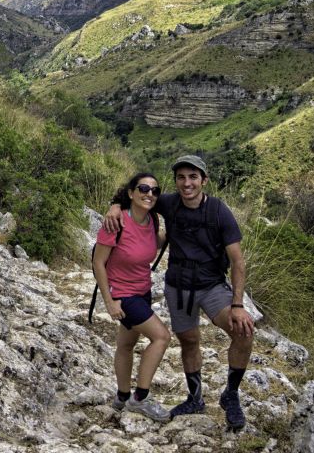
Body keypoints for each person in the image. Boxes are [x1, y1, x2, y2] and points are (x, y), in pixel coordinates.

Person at [102, 155, 254, 430]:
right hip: (178, 288)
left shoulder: (220, 212)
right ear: (176, 182)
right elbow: (135, 194)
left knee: (243, 332)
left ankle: (230, 394)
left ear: (204, 180)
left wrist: (238, 303)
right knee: (189, 340)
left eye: (193, 177)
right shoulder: (167, 201)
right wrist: (115, 206)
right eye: (181, 177)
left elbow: (238, 261)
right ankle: (195, 398)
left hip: (211, 287)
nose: (187, 183)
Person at [93, 172, 173, 422]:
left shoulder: (151, 221)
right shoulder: (115, 223)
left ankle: (122, 396)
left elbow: (154, 243)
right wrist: (109, 301)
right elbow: (98, 263)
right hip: (124, 295)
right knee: (161, 337)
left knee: (126, 345)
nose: (149, 194)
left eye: (154, 191)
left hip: (143, 291)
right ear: (130, 193)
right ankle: (140, 399)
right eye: (143, 188)